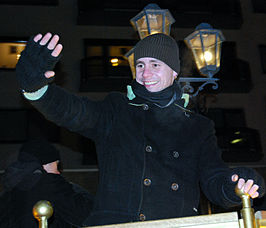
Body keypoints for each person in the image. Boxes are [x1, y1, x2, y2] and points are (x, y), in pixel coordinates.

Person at [15, 32, 265, 226]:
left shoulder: (198, 127)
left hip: (175, 225)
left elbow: (214, 179)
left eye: (155, 64)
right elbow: (73, 111)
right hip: (116, 226)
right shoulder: (116, 109)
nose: (146, 73)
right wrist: (37, 89)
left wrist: (235, 185)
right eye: (140, 65)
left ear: (174, 72)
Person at [0, 138, 94, 227]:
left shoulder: (11, 187)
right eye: (56, 165)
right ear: (45, 164)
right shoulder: (50, 183)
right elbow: (87, 214)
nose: (58, 171)